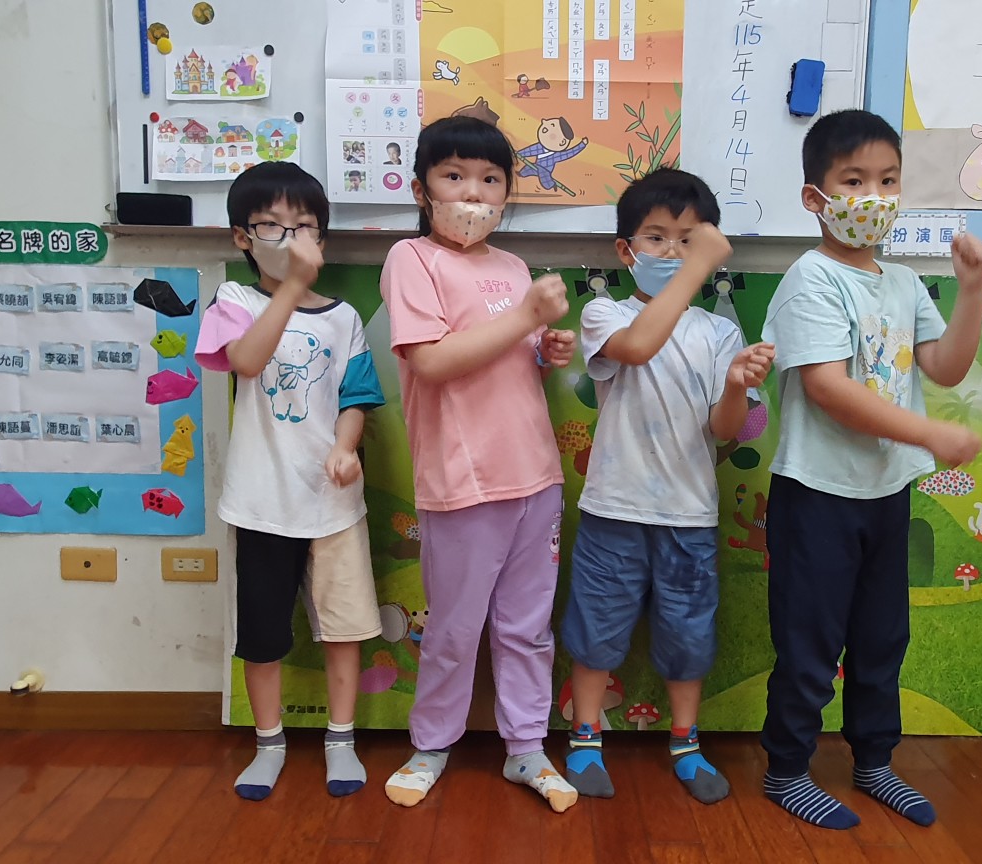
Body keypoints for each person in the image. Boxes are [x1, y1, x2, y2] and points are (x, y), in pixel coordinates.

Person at [759, 109, 982, 830]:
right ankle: (787, 771)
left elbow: (944, 367)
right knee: (809, 642)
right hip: (818, 495)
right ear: (815, 197)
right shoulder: (811, 279)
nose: (875, 196)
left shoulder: (904, 282)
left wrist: (974, 288)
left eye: (888, 181)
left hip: (886, 493)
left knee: (883, 638)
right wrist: (928, 433)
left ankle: (874, 762)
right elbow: (830, 390)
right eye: (854, 180)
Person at [379, 115, 580, 813]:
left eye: (491, 179)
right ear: (422, 189)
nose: (473, 192)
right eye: (454, 175)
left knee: (527, 628)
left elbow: (509, 359)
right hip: (462, 485)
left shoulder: (514, 269)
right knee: (455, 628)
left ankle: (526, 748)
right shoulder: (412, 259)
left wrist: (545, 349)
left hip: (536, 476)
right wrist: (525, 319)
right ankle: (432, 745)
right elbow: (432, 362)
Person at [560, 168, 774, 804]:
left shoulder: (718, 332)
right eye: (657, 238)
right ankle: (585, 737)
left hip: (689, 515)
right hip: (614, 510)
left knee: (688, 635)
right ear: (625, 250)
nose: (674, 252)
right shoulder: (605, 313)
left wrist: (734, 384)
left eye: (688, 240)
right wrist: (698, 265)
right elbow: (636, 348)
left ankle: (685, 741)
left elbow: (724, 429)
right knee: (597, 628)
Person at [194, 162, 386, 801]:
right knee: (263, 637)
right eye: (271, 226)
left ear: (321, 239)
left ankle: (340, 739)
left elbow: (356, 397)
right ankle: (269, 743)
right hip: (261, 503)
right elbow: (246, 362)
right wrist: (292, 287)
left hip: (334, 506)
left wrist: (345, 447)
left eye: (303, 227)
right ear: (242, 237)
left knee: (344, 629)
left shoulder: (345, 318)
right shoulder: (234, 300)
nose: (290, 239)